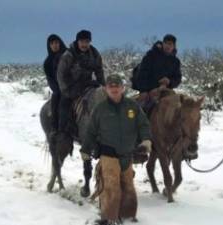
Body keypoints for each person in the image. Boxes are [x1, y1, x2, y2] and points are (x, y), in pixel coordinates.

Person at [80, 74, 152, 225]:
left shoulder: (132, 107)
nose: (114, 89)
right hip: (108, 154)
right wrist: (85, 150)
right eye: (111, 86)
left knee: (128, 187)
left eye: (117, 86)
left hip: (127, 154)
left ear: (122, 88)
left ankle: (128, 217)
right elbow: (91, 131)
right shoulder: (100, 109)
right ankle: (109, 218)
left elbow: (143, 124)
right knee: (111, 186)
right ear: (106, 89)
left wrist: (146, 140)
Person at [56, 30, 105, 135]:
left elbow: (99, 71)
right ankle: (63, 133)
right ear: (77, 41)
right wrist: (66, 91)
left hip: (87, 83)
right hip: (71, 86)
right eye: (82, 41)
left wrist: (104, 87)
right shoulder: (68, 55)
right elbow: (60, 74)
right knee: (64, 105)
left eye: (87, 42)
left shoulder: (95, 54)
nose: (84, 44)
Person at [133, 34, 182, 113]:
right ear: (163, 44)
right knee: (139, 111)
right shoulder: (151, 55)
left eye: (170, 44)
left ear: (174, 46)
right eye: (166, 43)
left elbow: (177, 78)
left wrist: (169, 81)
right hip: (148, 91)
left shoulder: (176, 62)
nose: (168, 46)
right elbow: (141, 73)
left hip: (166, 91)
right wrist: (143, 90)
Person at [43, 34, 67, 135]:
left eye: (56, 43)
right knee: (56, 99)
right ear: (49, 46)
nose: (55, 45)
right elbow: (50, 79)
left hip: (73, 85)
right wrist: (58, 89)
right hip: (59, 88)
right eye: (52, 43)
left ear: (60, 43)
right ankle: (55, 127)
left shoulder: (68, 55)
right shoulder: (47, 62)